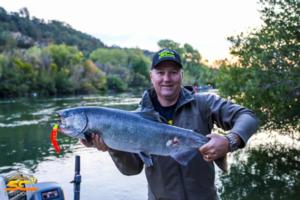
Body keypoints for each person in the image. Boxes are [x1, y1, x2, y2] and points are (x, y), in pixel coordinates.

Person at [81, 48, 259, 200]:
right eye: (160, 72)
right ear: (151, 76)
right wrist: (113, 146)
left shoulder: (204, 103)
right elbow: (131, 170)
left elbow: (248, 117)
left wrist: (230, 141)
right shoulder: (133, 122)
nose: (167, 78)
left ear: (181, 75)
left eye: (173, 72)